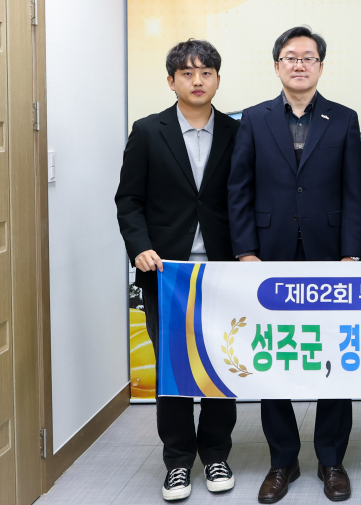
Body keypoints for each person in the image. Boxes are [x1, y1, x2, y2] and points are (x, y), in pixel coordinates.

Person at [228, 26, 361, 503]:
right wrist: (245, 251)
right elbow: (239, 189)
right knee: (274, 355)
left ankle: (331, 459)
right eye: (291, 57)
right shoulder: (254, 118)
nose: (300, 64)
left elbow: (353, 192)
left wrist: (351, 253)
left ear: (321, 66)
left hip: (330, 253)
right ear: (277, 66)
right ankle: (282, 460)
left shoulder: (343, 118)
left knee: (333, 356)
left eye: (309, 57)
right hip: (268, 254)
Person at [115, 39, 239, 501]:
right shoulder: (149, 131)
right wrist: (140, 247)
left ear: (218, 79)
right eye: (187, 73)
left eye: (206, 72)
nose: (197, 80)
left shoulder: (237, 132)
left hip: (224, 273)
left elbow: (246, 199)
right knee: (173, 368)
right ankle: (178, 463)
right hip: (167, 272)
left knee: (221, 363)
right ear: (171, 81)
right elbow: (129, 200)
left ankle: (217, 454)